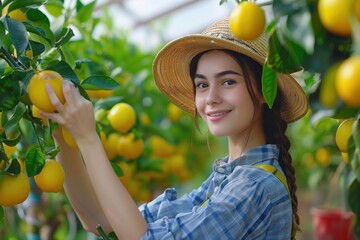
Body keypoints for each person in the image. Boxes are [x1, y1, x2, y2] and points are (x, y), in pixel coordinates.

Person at [42, 18, 308, 239]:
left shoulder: (253, 188)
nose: (211, 97)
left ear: (263, 92)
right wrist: (63, 137)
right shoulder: (225, 180)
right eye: (202, 85)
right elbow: (101, 220)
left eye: (228, 82)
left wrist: (89, 138)